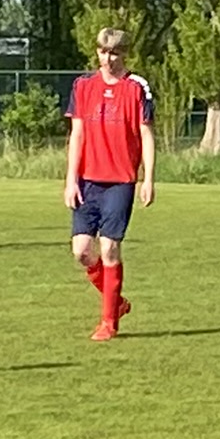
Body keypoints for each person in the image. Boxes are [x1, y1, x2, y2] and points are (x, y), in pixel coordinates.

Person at [65, 27, 156, 340]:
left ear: (125, 54)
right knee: (81, 251)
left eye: (115, 52)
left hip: (120, 181)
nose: (108, 58)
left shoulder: (136, 87)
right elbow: (77, 134)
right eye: (104, 52)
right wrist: (70, 180)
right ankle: (116, 303)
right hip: (87, 181)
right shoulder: (83, 86)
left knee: (109, 248)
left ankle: (108, 323)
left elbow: (146, 135)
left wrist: (148, 178)